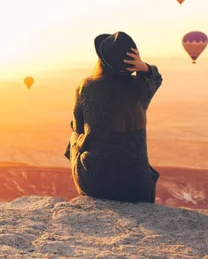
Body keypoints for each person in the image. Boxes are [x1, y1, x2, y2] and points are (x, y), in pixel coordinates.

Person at [64, 31, 163, 203]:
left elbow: (78, 128)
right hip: (138, 188)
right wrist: (145, 68)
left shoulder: (87, 86)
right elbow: (155, 78)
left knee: (74, 134)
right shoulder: (140, 88)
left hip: (97, 185)